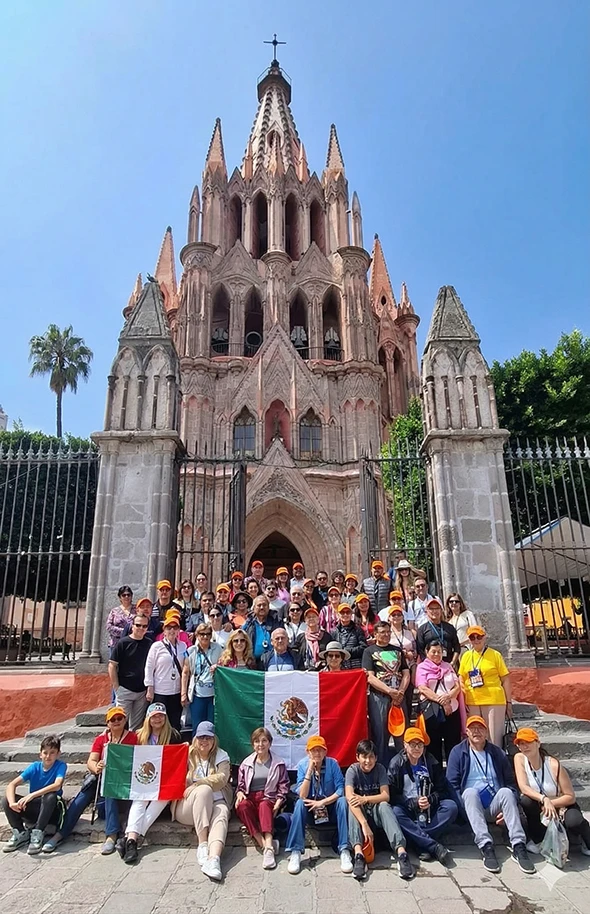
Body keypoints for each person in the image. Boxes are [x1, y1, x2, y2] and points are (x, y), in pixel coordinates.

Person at [41, 707, 137, 854]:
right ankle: (60, 834)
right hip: (101, 780)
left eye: (119, 718)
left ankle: (111, 835)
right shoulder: (101, 739)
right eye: (113, 719)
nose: (116, 721)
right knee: (82, 796)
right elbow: (91, 760)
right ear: (108, 723)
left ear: (125, 720)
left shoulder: (133, 738)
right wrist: (96, 767)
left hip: (122, 784)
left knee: (109, 786)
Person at [446, 715, 534, 874]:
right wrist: (463, 811)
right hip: (471, 807)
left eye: (480, 728)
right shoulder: (458, 752)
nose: (476, 731)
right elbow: (451, 786)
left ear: (486, 732)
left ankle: (518, 845)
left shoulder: (497, 753)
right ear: (466, 732)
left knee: (506, 792)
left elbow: (510, 783)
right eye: (472, 728)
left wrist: (506, 809)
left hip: (495, 806)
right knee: (470, 792)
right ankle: (486, 846)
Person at [119, 703, 183, 864]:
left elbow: (176, 760)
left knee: (161, 800)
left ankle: (129, 838)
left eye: (161, 715)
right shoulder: (138, 736)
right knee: (140, 800)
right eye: (154, 716)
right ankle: (133, 840)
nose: (158, 719)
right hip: (144, 779)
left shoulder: (173, 735)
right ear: (148, 718)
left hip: (165, 781)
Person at [513, 726, 590, 856]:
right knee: (526, 801)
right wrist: (544, 800)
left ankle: (584, 837)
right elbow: (524, 787)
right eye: (521, 744)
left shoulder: (553, 765)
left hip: (561, 804)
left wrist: (551, 803)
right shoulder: (519, 758)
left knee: (574, 820)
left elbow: (570, 796)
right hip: (541, 804)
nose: (525, 746)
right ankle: (538, 838)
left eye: (528, 742)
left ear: (538, 743)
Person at [345, 738, 413, 881]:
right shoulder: (353, 770)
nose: (367, 761)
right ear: (357, 757)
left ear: (376, 758)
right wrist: (364, 824)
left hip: (376, 813)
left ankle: (401, 853)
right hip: (361, 814)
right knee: (353, 808)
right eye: (364, 757)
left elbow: (385, 795)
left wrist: (365, 799)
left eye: (371, 757)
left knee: (384, 806)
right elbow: (350, 797)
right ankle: (358, 855)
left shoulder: (380, 769)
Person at [172, 721, 232, 880]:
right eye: (201, 737)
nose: (204, 741)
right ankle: (203, 843)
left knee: (223, 813)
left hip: (216, 802)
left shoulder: (221, 755)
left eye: (208, 737)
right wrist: (197, 786)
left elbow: (222, 778)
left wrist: (198, 783)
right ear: (195, 738)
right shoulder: (186, 753)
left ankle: (214, 859)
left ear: (214, 740)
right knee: (204, 791)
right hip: (188, 808)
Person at [388, 727, 458, 864]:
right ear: (405, 745)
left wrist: (431, 799)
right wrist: (411, 802)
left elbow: (443, 790)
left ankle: (418, 841)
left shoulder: (431, 761)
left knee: (451, 807)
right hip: (408, 808)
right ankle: (433, 846)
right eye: (412, 744)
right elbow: (392, 794)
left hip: (429, 809)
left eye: (420, 745)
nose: (416, 748)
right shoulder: (396, 764)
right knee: (395, 812)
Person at [286, 735, 352, 875]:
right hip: (311, 809)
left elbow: (341, 789)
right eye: (313, 750)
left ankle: (344, 849)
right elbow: (302, 795)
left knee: (342, 802)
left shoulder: (333, 764)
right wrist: (309, 771)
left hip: (329, 806)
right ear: (308, 752)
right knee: (299, 804)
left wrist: (323, 802)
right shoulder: (303, 765)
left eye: (320, 750)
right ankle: (296, 851)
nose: (317, 753)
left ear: (325, 751)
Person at [235, 727, 289, 870]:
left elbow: (284, 785)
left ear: (270, 743)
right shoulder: (246, 764)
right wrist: (240, 793)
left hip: (268, 798)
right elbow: (240, 786)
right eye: (257, 741)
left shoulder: (278, 763)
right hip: (251, 798)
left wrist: (279, 801)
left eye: (264, 741)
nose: (261, 744)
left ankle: (269, 847)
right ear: (253, 744)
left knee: (265, 805)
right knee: (242, 806)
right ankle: (265, 845)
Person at [2, 736, 67, 855]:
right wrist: (12, 803)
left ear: (58, 754)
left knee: (51, 796)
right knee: (6, 799)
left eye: (52, 753)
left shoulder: (60, 766)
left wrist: (32, 795)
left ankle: (38, 832)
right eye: (45, 753)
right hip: (36, 808)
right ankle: (20, 833)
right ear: (40, 754)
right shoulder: (34, 767)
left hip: (53, 810)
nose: (48, 756)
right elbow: (12, 784)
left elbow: (57, 785)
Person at [362, 620, 410, 768]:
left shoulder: (397, 650)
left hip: (399, 698)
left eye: (388, 632)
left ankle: (403, 768)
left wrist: (400, 691)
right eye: (383, 632)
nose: (386, 635)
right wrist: (389, 691)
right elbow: (369, 677)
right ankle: (381, 769)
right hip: (380, 697)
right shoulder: (369, 651)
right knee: (381, 735)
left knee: (401, 735)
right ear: (375, 634)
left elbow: (406, 673)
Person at [458, 626, 513, 748]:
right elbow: (461, 678)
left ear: (484, 637)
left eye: (479, 637)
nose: (476, 640)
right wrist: (463, 698)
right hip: (472, 701)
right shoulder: (466, 656)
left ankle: (495, 765)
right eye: (472, 637)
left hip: (494, 700)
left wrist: (509, 702)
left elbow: (505, 679)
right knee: (476, 738)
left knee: (494, 738)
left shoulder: (495, 655)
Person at [415, 641, 462, 765]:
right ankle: (437, 779)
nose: (437, 654)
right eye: (433, 652)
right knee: (433, 746)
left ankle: (453, 775)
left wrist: (448, 697)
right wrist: (442, 701)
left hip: (452, 710)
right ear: (427, 652)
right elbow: (422, 688)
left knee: (453, 744)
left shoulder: (448, 666)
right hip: (433, 712)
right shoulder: (421, 667)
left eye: (439, 652)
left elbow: (457, 686)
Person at [144, 610, 188, 731]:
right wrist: (150, 687)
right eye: (169, 628)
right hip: (160, 691)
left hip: (176, 690)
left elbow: (186, 667)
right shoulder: (156, 646)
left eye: (175, 627)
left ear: (179, 630)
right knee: (159, 724)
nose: (172, 630)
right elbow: (149, 667)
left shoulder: (183, 646)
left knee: (175, 723)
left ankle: (173, 748)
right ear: (164, 630)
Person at [109, 614, 152, 730]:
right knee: (119, 724)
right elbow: (112, 665)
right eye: (138, 625)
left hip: (142, 692)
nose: (141, 628)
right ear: (132, 626)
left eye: (144, 626)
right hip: (125, 690)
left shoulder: (149, 644)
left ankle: (133, 747)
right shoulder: (123, 643)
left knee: (137, 727)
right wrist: (116, 687)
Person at [182, 623, 223, 734]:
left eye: (208, 634)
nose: (205, 637)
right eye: (202, 634)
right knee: (197, 724)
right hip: (197, 693)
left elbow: (224, 666)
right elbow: (186, 672)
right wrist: (183, 693)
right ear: (197, 635)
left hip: (213, 694)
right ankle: (196, 750)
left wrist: (218, 667)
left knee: (212, 724)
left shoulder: (218, 648)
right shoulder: (190, 651)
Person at [384, 602, 417, 725]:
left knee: (407, 699)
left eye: (399, 614)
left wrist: (411, 655)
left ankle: (406, 724)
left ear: (403, 617)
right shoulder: (387, 633)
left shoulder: (409, 632)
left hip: (408, 668)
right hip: (391, 670)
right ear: (389, 618)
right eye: (394, 615)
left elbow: (415, 651)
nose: (396, 617)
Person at [415, 597, 460, 666]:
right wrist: (429, 665)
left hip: (448, 665)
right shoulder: (422, 629)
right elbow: (420, 651)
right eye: (431, 609)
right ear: (426, 611)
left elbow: (457, 647)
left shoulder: (450, 627)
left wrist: (452, 663)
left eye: (437, 608)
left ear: (441, 610)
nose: (434, 611)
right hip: (430, 668)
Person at [242, 595, 281, 665]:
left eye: (264, 605)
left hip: (272, 661)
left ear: (269, 607)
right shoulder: (248, 623)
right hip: (252, 662)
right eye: (259, 605)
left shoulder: (276, 620)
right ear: (253, 608)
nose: (262, 607)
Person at [329, 602, 367, 669]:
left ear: (351, 614)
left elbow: (363, 648)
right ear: (338, 615)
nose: (345, 614)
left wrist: (347, 651)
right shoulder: (334, 631)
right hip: (339, 665)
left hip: (355, 664)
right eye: (342, 613)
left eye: (348, 612)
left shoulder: (358, 630)